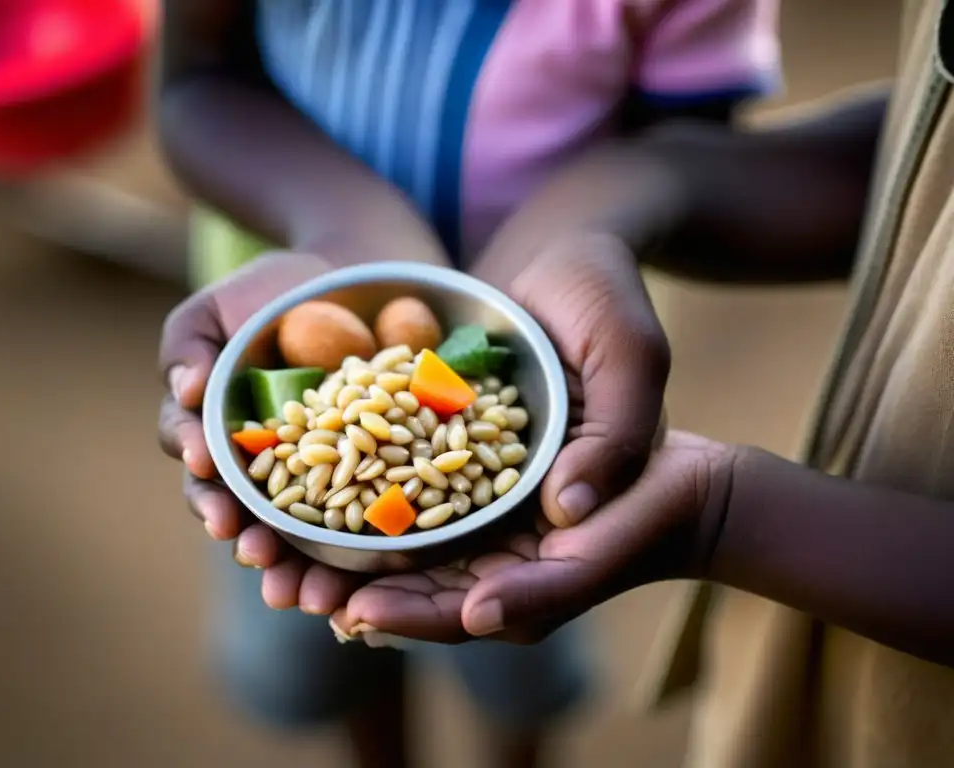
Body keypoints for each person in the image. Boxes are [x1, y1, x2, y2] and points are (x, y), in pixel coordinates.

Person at [163, 1, 954, 766]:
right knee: (325, 644)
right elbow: (196, 78)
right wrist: (349, 219)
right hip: (294, 319)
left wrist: (719, 513)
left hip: (562, 390)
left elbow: (717, 146)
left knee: (514, 653)